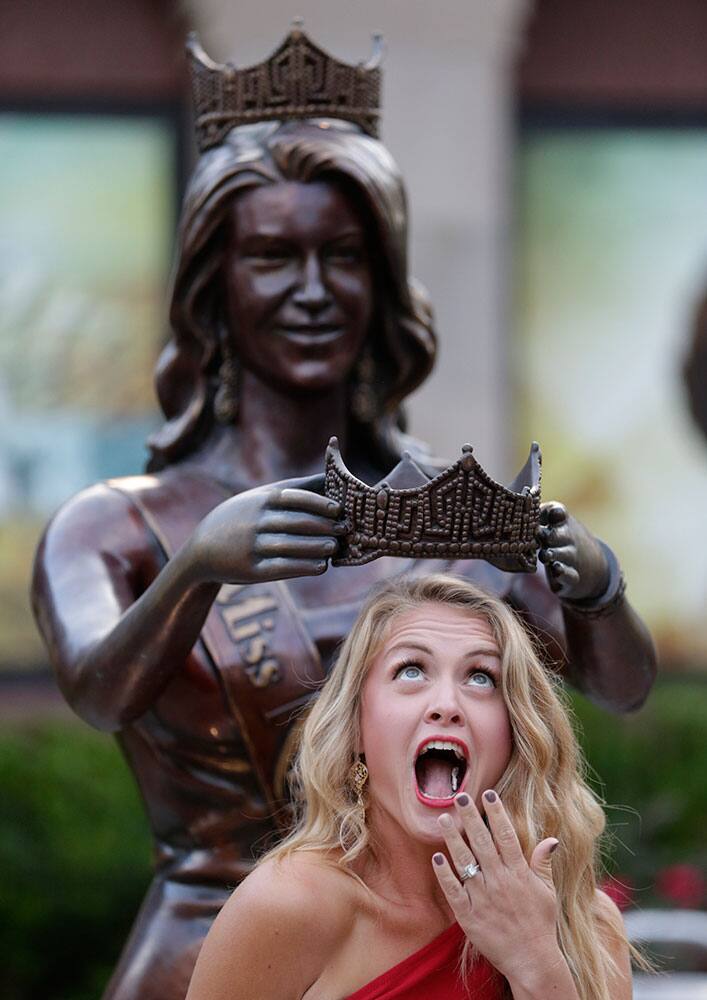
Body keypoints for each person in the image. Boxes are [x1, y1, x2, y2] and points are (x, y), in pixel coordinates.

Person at [30, 29, 655, 1000]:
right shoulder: (118, 526)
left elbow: (612, 686)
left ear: (384, 281)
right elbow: (97, 693)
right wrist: (196, 568)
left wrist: (597, 584)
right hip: (210, 942)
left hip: (450, 925)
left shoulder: (452, 516)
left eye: (345, 257)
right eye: (274, 257)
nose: (313, 292)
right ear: (213, 283)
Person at [186, 574, 634, 1000]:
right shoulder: (286, 905)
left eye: (481, 677)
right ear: (357, 728)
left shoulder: (586, 923)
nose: (446, 705)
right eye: (411, 671)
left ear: (517, 733)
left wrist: (537, 965)